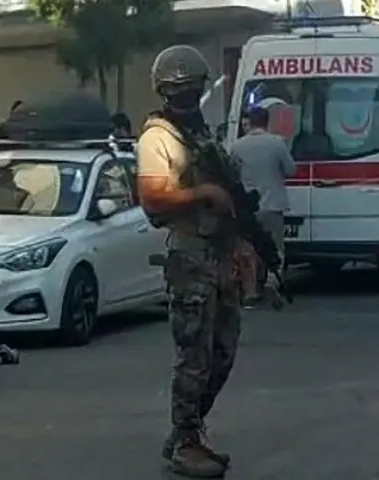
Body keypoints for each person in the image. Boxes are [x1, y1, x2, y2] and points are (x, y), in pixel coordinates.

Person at [137, 44, 242, 478]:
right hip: (189, 257)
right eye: (178, 88)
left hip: (218, 254)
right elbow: (152, 197)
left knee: (222, 353)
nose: (186, 94)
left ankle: (190, 432)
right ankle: (184, 441)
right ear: (163, 90)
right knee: (194, 354)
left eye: (192, 87)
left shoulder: (200, 133)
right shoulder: (158, 137)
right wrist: (203, 194)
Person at [230, 106, 296, 306]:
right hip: (272, 205)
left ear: (249, 122)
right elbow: (291, 170)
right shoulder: (277, 143)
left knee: (248, 249)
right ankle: (271, 282)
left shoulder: (237, 146)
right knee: (275, 247)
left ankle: (250, 291)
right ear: (267, 122)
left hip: (247, 207)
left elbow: (230, 173)